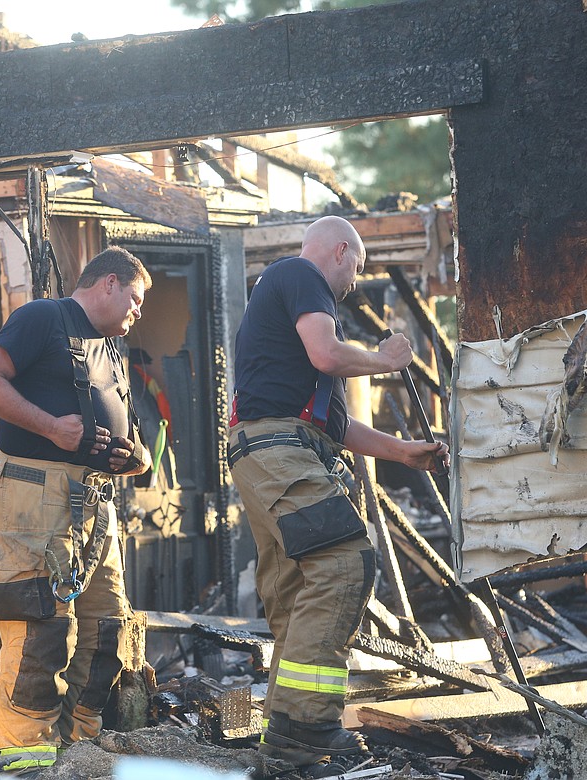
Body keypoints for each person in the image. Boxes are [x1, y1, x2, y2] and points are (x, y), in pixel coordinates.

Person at [228, 215, 450, 766]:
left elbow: (336, 428)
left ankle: (284, 740)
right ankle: (308, 725)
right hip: (280, 452)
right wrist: (384, 362)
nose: (354, 280)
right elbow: (326, 356)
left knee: (294, 597)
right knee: (344, 562)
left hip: (272, 451)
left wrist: (404, 451)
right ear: (341, 251)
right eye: (358, 266)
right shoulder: (300, 274)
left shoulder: (303, 326)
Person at [0, 246, 153, 776]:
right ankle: (25, 761)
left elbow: (125, 430)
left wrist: (133, 456)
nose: (137, 314)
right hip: (35, 500)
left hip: (95, 504)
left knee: (106, 629)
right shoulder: (41, 318)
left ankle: (77, 755)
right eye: (135, 300)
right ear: (108, 283)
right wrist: (51, 427)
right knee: (39, 631)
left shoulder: (110, 348)